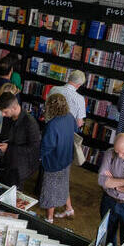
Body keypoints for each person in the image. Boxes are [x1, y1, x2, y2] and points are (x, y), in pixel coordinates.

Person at [39, 93, 76, 223]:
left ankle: (49, 219)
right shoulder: (70, 117)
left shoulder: (52, 124)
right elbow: (74, 130)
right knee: (63, 184)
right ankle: (69, 209)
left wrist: (38, 156)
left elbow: (47, 146)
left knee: (50, 190)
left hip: (54, 161)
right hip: (66, 157)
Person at [0, 92, 40, 190]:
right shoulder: (8, 118)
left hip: (18, 169)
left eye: (5, 111)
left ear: (14, 108)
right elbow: (4, 136)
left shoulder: (30, 123)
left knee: (12, 198)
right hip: (5, 164)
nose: (3, 114)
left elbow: (34, 149)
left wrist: (9, 148)